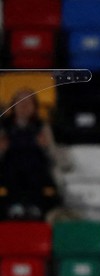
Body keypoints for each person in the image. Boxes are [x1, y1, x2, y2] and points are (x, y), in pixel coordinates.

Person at [0, 88, 62, 220]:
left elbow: (55, 157)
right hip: (9, 175)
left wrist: (46, 147)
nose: (24, 105)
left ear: (35, 107)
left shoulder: (42, 127)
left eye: (28, 102)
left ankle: (35, 211)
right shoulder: (3, 127)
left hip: (37, 177)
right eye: (20, 101)